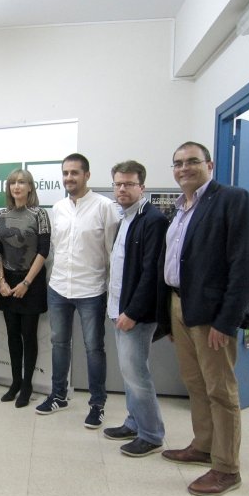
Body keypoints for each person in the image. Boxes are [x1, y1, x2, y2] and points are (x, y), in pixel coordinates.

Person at [158, 142, 249, 496]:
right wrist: (168, 317)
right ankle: (203, 446)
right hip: (179, 307)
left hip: (212, 315)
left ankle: (227, 468)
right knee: (196, 384)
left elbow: (244, 264)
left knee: (221, 389)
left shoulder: (232, 199)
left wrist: (226, 320)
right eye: (178, 163)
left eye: (192, 162)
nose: (184, 168)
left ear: (210, 164)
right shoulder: (180, 208)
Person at [36, 153, 119, 429]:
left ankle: (97, 404)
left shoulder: (105, 207)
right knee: (59, 343)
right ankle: (59, 395)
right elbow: (56, 248)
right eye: (65, 173)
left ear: (87, 175)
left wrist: (110, 294)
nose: (69, 178)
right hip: (59, 287)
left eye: (74, 172)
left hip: (91, 290)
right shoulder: (58, 207)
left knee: (94, 348)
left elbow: (111, 254)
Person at [102, 161, 168, 457]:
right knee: (128, 372)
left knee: (136, 373)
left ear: (142, 187)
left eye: (129, 184)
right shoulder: (125, 217)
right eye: (118, 183)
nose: (122, 189)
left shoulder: (152, 219)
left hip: (135, 313)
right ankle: (134, 421)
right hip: (119, 308)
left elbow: (150, 273)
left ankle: (151, 434)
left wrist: (132, 312)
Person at [0, 169, 50, 408]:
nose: (16, 186)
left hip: (32, 282)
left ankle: (27, 385)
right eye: (12, 183)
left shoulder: (39, 214)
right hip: (7, 282)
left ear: (30, 187)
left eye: (22, 182)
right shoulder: (1, 214)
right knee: (12, 335)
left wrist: (26, 283)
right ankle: (15, 382)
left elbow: (43, 251)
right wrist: (1, 282)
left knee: (29, 335)